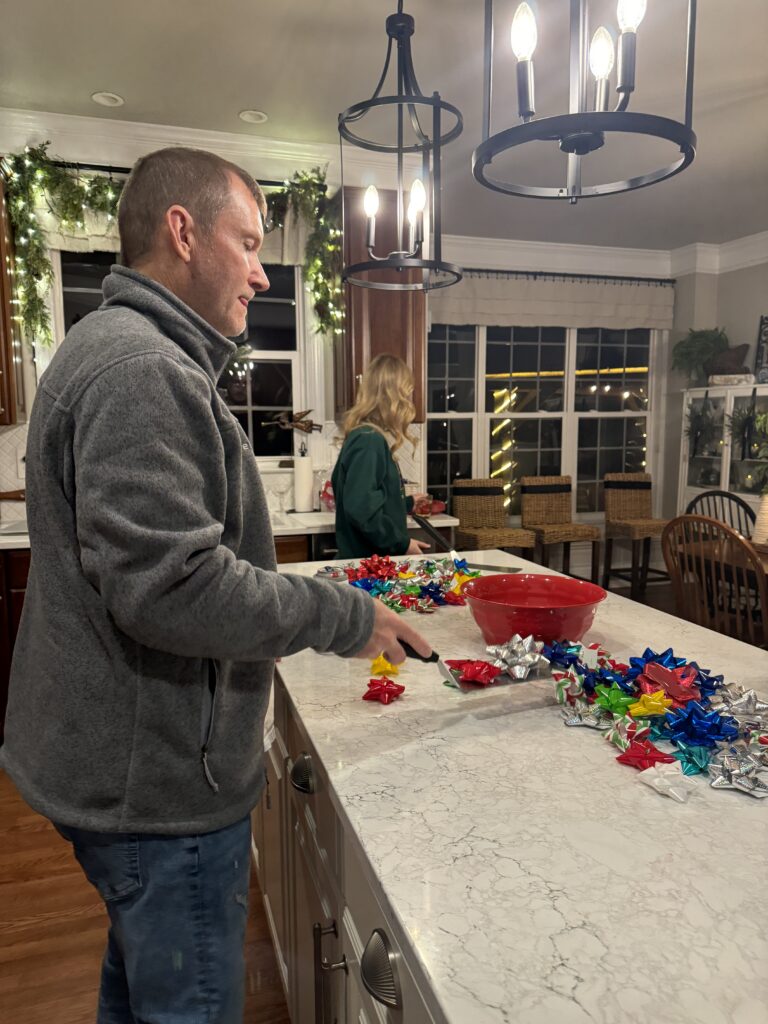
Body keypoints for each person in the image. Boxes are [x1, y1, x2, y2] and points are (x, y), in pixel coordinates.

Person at [0, 147, 431, 1023]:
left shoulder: (118, 347)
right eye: (248, 243)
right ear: (183, 233)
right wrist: (345, 615)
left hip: (117, 769)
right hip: (156, 787)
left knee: (139, 986)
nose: (263, 273)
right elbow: (174, 589)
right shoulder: (142, 370)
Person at [332, 353, 431, 559]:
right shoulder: (369, 440)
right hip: (368, 568)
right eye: (407, 392)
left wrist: (405, 503)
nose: (410, 400)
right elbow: (361, 509)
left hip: (368, 565)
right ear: (394, 396)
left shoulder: (365, 435)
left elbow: (366, 499)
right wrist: (402, 544)